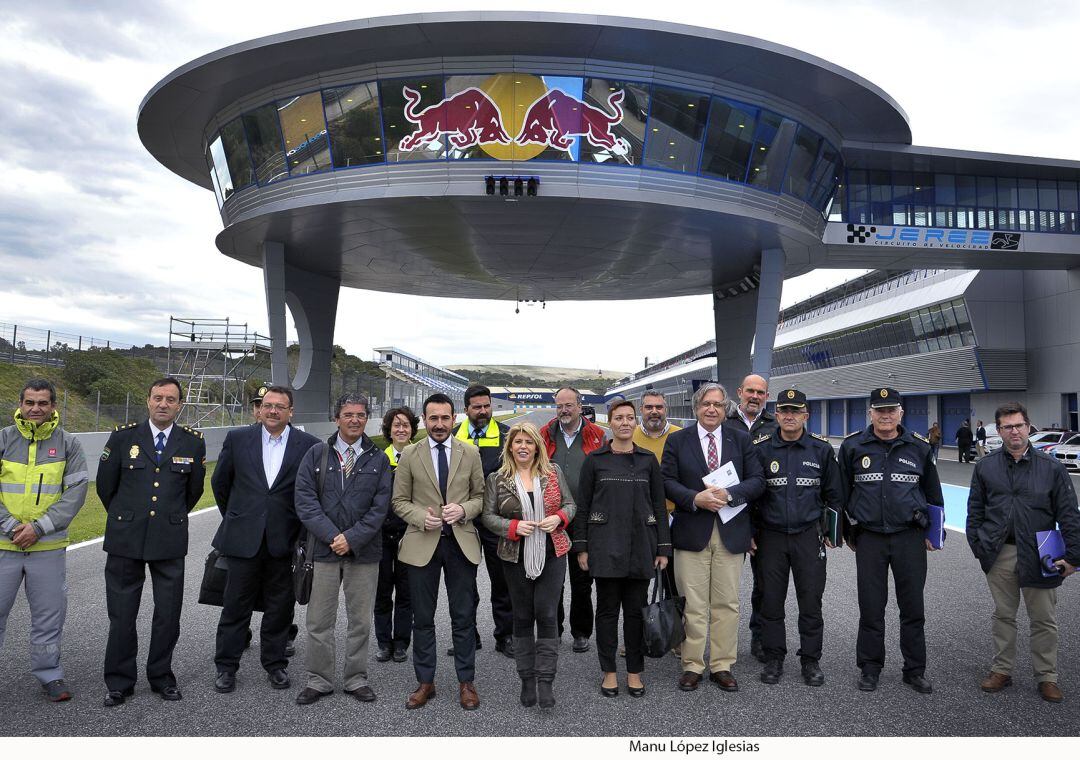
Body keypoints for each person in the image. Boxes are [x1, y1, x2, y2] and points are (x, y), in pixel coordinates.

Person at [97, 377, 206, 706]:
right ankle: (119, 681)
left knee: (168, 613)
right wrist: (129, 515)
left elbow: (194, 491)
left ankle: (161, 677)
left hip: (169, 538)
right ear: (147, 400)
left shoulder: (192, 442)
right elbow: (106, 487)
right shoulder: (122, 437)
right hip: (125, 537)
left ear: (179, 406)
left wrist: (166, 517)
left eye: (170, 399)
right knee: (122, 612)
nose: (163, 404)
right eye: (157, 397)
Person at [966, 401, 1080, 704]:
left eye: (1018, 425)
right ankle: (1002, 670)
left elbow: (1069, 514)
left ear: (1028, 426)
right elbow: (975, 511)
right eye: (1007, 427)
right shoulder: (985, 466)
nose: (1014, 431)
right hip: (999, 553)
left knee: (1044, 618)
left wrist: (1073, 557)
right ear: (999, 431)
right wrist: (979, 547)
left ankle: (1047, 677)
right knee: (1003, 615)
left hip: (1042, 553)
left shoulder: (1052, 467)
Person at [211, 385, 319, 694]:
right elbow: (221, 484)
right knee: (235, 607)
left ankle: (275, 665)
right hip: (243, 539)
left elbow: (309, 493)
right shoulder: (238, 439)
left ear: (290, 412)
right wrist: (239, 517)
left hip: (283, 542)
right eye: (268, 405)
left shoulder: (308, 445)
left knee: (279, 608)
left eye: (280, 406)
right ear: (261, 409)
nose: (272, 411)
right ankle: (226, 667)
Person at [661, 382, 764, 693]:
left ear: (725, 410)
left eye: (718, 405)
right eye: (706, 404)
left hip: (731, 533)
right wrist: (695, 499)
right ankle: (692, 664)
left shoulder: (741, 440)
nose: (711, 409)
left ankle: (721, 664)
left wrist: (730, 494)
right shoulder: (678, 441)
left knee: (726, 603)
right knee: (692, 603)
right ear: (696, 408)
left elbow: (758, 480)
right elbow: (665, 481)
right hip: (692, 531)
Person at [838, 387, 942, 694]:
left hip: (909, 537)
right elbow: (842, 494)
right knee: (871, 607)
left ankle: (914, 670)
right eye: (879, 410)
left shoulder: (919, 448)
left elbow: (934, 495)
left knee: (912, 608)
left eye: (891, 410)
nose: (885, 415)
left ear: (901, 413)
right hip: (869, 538)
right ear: (869, 413)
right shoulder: (853, 446)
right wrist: (847, 532)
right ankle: (870, 668)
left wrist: (933, 534)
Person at [293, 394, 391, 705]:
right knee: (319, 621)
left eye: (360, 415)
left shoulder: (379, 459)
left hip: (363, 553)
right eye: (348, 414)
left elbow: (380, 508)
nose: (354, 420)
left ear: (367, 419)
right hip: (322, 552)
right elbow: (305, 503)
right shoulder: (316, 454)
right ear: (337, 418)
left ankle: (355, 678)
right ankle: (319, 680)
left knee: (360, 621)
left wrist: (352, 538)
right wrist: (334, 536)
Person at [392, 393, 485, 711]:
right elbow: (399, 501)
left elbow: (480, 498)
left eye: (445, 418)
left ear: (454, 418)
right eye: (434, 418)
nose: (440, 424)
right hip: (422, 544)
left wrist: (463, 509)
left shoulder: (470, 453)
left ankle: (466, 682)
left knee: (463, 617)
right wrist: (421, 517)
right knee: (423, 619)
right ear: (425, 419)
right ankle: (425, 682)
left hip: (461, 546)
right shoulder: (409, 455)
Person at [0, 379, 88, 703]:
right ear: (20, 405)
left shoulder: (69, 444)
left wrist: (39, 528)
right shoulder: (4, 439)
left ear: (53, 407)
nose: (36, 408)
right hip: (3, 545)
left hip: (47, 547)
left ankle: (50, 674)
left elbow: (76, 492)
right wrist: (11, 526)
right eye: (30, 402)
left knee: (49, 617)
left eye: (43, 403)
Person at [577, 400, 670, 698]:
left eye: (630, 417)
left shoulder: (647, 461)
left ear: (635, 421)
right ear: (611, 423)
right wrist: (582, 548)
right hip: (605, 548)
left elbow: (659, 505)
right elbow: (583, 508)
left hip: (641, 546)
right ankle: (608, 672)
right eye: (619, 418)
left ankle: (634, 671)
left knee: (634, 612)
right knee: (606, 612)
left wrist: (663, 548)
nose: (625, 422)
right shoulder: (595, 460)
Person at [481, 422, 575, 711]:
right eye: (517, 441)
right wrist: (512, 526)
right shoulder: (498, 479)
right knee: (522, 616)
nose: (523, 446)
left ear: (537, 446)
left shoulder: (553, 472)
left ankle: (545, 680)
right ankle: (526, 678)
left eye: (529, 442)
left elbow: (571, 504)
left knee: (546, 613)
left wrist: (559, 517)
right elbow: (487, 516)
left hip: (552, 552)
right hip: (514, 554)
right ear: (510, 447)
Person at [751, 389, 843, 687]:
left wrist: (833, 531)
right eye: (784, 411)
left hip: (808, 536)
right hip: (771, 538)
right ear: (776, 415)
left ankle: (810, 660)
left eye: (795, 411)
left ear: (806, 415)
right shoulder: (761, 449)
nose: (789, 416)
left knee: (810, 602)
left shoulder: (821, 450)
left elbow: (834, 495)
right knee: (771, 602)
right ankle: (774, 657)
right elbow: (751, 496)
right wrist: (750, 533)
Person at [541, 387, 605, 653]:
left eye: (569, 405)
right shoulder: (545, 434)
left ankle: (581, 631)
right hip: (552, 518)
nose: (564, 410)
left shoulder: (598, 435)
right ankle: (553, 629)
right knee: (552, 580)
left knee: (582, 580)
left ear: (580, 405)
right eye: (559, 406)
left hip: (585, 518)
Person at [451, 385, 513, 658]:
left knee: (502, 582)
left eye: (486, 405)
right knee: (464, 584)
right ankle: (468, 636)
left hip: (495, 519)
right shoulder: (454, 436)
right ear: (466, 409)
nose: (483, 411)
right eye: (477, 407)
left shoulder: (506, 436)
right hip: (463, 520)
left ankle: (505, 636)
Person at [725, 374, 778, 664]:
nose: (755, 396)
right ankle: (714, 642)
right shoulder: (723, 423)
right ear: (739, 392)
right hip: (729, 514)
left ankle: (760, 637)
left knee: (764, 585)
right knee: (722, 586)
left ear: (766, 396)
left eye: (761, 392)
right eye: (750, 391)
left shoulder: (775, 425)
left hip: (765, 516)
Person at [374, 406, 418, 664]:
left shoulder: (419, 457)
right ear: (389, 430)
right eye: (396, 425)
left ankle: (401, 642)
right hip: (381, 536)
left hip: (409, 534)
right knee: (381, 592)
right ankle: (383, 642)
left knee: (405, 593)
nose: (401, 429)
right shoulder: (379, 459)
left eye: (405, 425)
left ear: (412, 429)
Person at [633, 391, 681, 599]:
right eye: (649, 407)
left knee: (673, 584)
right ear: (641, 410)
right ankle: (642, 630)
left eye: (659, 407)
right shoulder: (629, 435)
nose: (654, 412)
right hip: (638, 520)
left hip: (674, 520)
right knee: (638, 584)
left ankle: (671, 630)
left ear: (666, 409)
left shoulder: (681, 436)